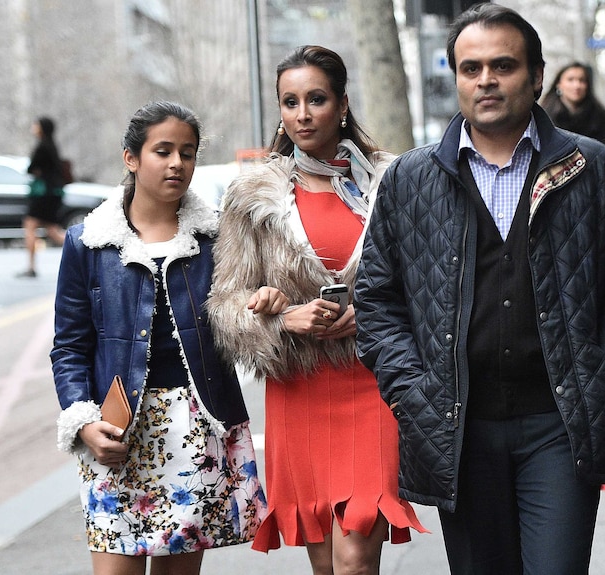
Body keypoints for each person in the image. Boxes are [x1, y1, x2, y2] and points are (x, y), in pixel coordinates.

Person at [354, 4, 605, 573]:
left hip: (559, 424)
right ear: (456, 78)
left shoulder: (588, 167)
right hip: (456, 428)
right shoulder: (409, 179)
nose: (486, 80)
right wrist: (409, 391)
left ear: (536, 76)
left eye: (503, 65)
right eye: (471, 69)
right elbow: (376, 301)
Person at [206, 45, 426, 575]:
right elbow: (225, 302)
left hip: (374, 384)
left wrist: (374, 317)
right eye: (290, 102)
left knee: (355, 558)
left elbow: (430, 285)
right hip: (299, 388)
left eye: (317, 99)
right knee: (326, 563)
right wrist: (281, 318)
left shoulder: (393, 182)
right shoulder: (252, 196)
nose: (303, 114)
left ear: (342, 104)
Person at [51, 101, 267, 575]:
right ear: (131, 157)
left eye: (187, 153)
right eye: (163, 151)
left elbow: (240, 319)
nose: (177, 164)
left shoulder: (218, 237)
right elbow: (68, 347)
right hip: (117, 430)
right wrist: (83, 422)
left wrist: (264, 304)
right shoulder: (88, 242)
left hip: (196, 425)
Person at [18, 116, 67, 277]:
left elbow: (31, 168)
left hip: (43, 194)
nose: (34, 127)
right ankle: (86, 251)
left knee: (30, 225)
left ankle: (31, 267)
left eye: (36, 125)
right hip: (53, 193)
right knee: (52, 229)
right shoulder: (53, 146)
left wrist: (36, 170)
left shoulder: (43, 147)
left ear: (42, 128)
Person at [539, 60, 605, 145]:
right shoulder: (545, 115)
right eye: (570, 80)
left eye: (582, 80)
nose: (577, 85)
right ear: (559, 84)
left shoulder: (599, 116)